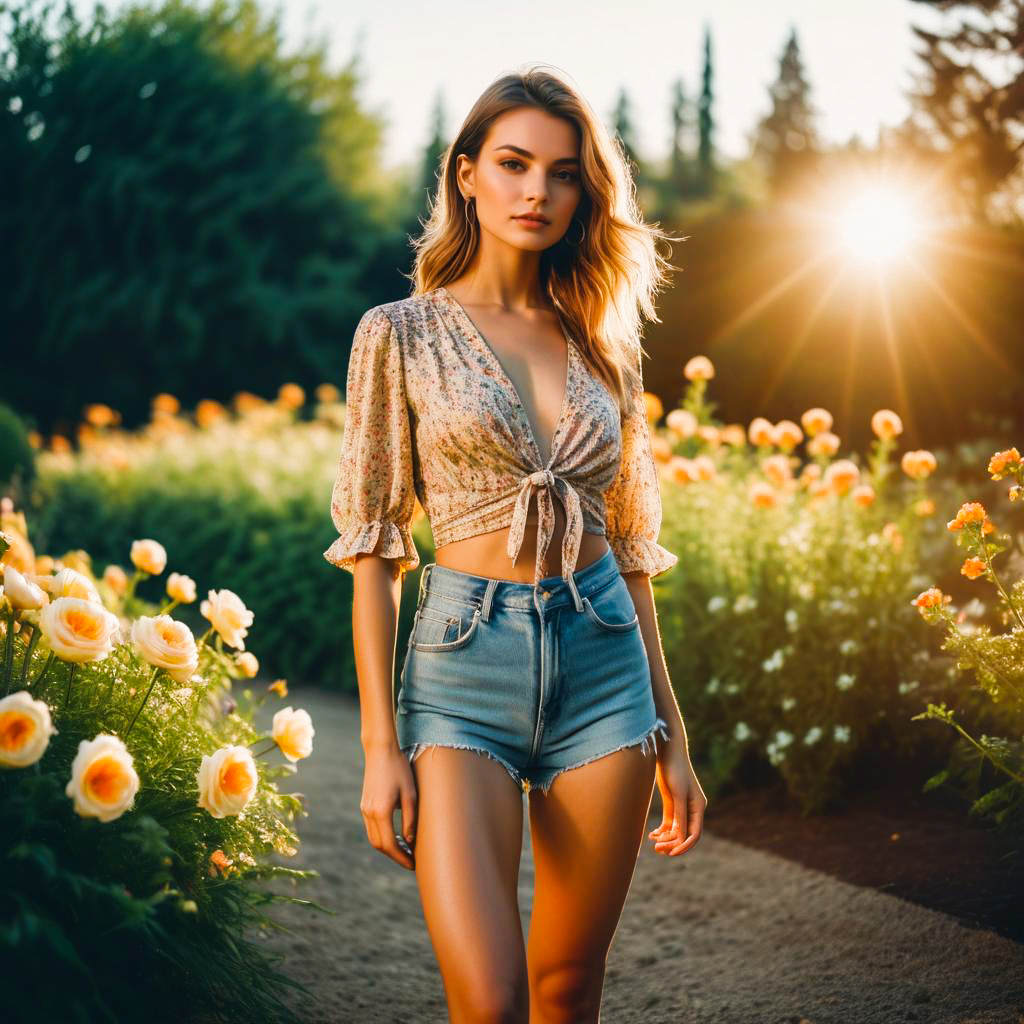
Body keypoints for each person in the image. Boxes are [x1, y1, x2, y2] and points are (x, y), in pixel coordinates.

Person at [325, 64, 707, 1023]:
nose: (537, 190)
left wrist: (676, 737)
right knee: (488, 999)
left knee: (568, 990)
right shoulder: (399, 335)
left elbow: (628, 550)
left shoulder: (603, 350)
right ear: (465, 175)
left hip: (603, 662)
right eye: (512, 163)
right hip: (462, 668)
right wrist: (380, 748)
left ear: (585, 193)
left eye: (564, 172)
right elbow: (375, 552)